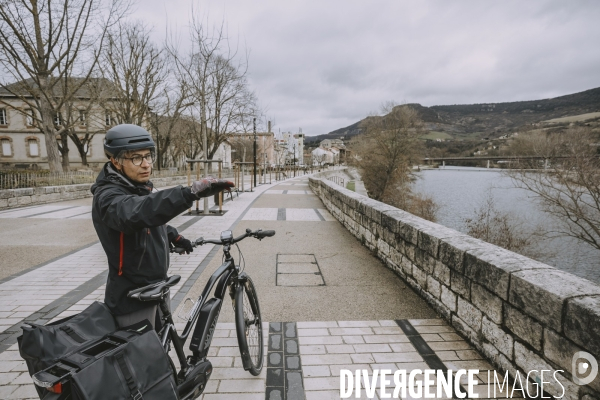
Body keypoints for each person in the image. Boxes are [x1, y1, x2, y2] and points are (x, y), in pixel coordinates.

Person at [91, 124, 233, 329]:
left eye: (148, 156)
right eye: (136, 158)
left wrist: (172, 236)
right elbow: (136, 213)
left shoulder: (135, 187)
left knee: (163, 347)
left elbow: (148, 221)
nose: (146, 164)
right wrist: (189, 193)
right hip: (132, 300)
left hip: (156, 288)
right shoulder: (108, 197)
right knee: (146, 358)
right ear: (115, 161)